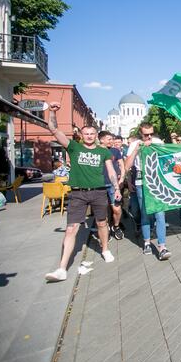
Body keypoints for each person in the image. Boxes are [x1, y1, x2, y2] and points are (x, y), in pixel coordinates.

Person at [45, 102, 120, 282]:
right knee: (71, 229)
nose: (88, 136)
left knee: (102, 223)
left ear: (96, 136)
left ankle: (105, 249)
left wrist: (116, 188)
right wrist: (52, 112)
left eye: (92, 134)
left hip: (99, 192)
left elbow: (111, 171)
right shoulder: (74, 147)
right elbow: (53, 130)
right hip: (78, 193)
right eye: (86, 133)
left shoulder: (103, 152)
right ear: (81, 135)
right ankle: (62, 268)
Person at [125, 123, 171, 260]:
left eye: (151, 133)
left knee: (160, 214)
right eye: (146, 134)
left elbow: (167, 159)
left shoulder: (157, 142)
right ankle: (146, 242)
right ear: (140, 133)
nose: (149, 137)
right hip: (141, 182)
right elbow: (127, 166)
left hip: (157, 182)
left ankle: (162, 247)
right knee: (145, 213)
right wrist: (136, 150)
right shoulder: (135, 144)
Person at [99, 131, 126, 240]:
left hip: (112, 185)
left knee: (117, 209)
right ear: (101, 140)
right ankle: (105, 230)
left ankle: (116, 226)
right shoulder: (96, 151)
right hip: (99, 185)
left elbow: (122, 165)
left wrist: (122, 178)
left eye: (112, 139)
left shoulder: (115, 151)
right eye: (109, 139)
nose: (112, 141)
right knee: (102, 210)